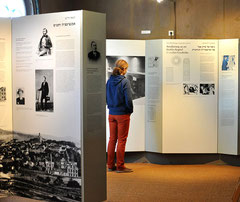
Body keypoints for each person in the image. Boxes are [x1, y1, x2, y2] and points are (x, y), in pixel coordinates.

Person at [106, 59, 133, 173]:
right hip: (122, 114)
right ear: (124, 69)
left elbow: (106, 97)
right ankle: (120, 166)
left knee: (112, 139)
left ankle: (110, 165)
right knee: (122, 140)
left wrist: (111, 107)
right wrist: (130, 110)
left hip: (112, 114)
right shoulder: (125, 82)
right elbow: (128, 99)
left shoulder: (109, 81)